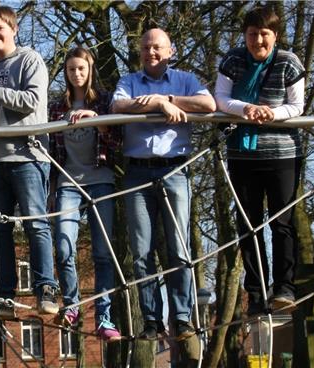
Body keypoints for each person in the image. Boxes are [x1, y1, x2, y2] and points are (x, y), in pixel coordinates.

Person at [112, 28, 216, 341]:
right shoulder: (129, 81)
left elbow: (208, 105)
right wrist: (159, 106)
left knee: (179, 247)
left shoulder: (185, 80)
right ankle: (151, 320)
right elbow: (118, 106)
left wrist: (167, 99)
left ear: (170, 51)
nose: (151, 53)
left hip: (175, 170)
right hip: (137, 172)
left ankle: (181, 317)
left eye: (157, 47)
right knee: (141, 250)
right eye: (146, 48)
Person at [0, 5, 59, 319]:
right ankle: (3, 295)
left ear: (13, 29)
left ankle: (45, 288)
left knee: (36, 223)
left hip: (27, 155)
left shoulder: (30, 60)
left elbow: (32, 101)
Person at [214, 7, 305, 315]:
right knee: (248, 224)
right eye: (252, 34)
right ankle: (256, 292)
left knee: (282, 222)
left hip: (282, 154)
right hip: (242, 155)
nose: (258, 41)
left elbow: (297, 106)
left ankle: (285, 288)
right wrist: (246, 109)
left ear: (275, 36)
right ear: (245, 35)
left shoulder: (288, 62)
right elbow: (220, 98)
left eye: (264, 34)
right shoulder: (232, 60)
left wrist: (270, 112)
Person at [49, 47, 121, 341]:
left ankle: (104, 317)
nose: (76, 74)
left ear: (90, 69)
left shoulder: (105, 101)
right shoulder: (57, 107)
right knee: (64, 246)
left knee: (102, 252)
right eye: (71, 69)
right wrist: (51, 190)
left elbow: (117, 141)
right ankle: (72, 305)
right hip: (68, 183)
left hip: (100, 179)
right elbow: (52, 151)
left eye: (81, 68)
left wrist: (95, 118)